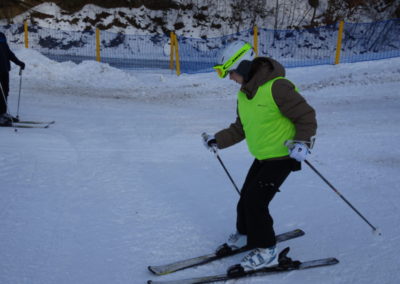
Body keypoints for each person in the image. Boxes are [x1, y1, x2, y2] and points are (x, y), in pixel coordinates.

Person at [203, 55, 317, 272]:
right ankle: (246, 233)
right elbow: (241, 128)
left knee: (256, 201)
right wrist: (218, 139)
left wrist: (303, 143)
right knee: (246, 198)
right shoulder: (244, 95)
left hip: (283, 157)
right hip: (263, 156)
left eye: (230, 73)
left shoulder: (277, 87)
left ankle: (267, 250)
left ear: (244, 69)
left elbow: (306, 115)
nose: (230, 79)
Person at [0, 31, 25, 126]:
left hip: (4, 69)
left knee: (5, 91)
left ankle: (3, 113)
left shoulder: (1, 35)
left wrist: (18, 62)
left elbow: (8, 52)